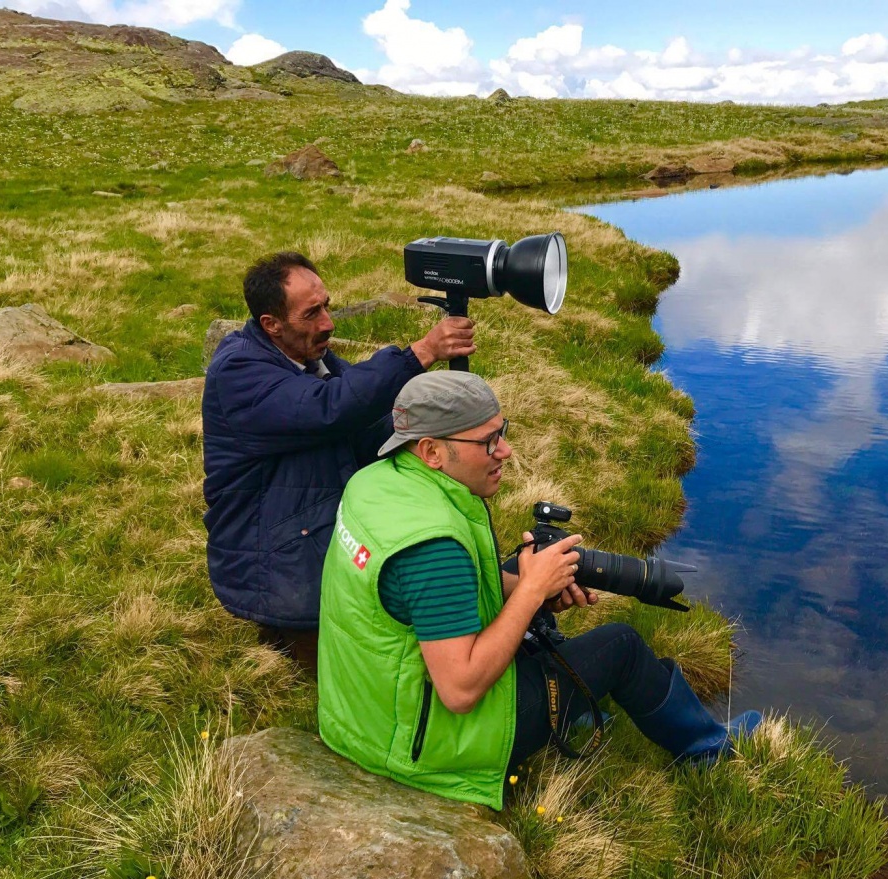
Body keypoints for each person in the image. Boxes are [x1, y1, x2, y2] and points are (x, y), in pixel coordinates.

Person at [317, 370, 761, 808]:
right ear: (432, 450)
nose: (505, 451)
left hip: (361, 715)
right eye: (488, 441)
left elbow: (426, 598)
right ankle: (709, 752)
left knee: (521, 581)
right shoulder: (434, 549)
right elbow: (460, 690)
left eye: (502, 432)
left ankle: (577, 708)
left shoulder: (373, 484)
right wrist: (530, 593)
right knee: (621, 646)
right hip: (429, 748)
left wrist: (529, 585)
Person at [203, 251, 474, 670]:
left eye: (327, 305)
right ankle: (285, 634)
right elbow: (331, 408)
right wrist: (420, 353)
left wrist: (436, 437)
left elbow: (366, 426)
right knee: (364, 672)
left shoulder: (311, 358)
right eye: (312, 313)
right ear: (270, 325)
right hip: (273, 557)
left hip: (302, 531)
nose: (328, 322)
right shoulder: (239, 371)